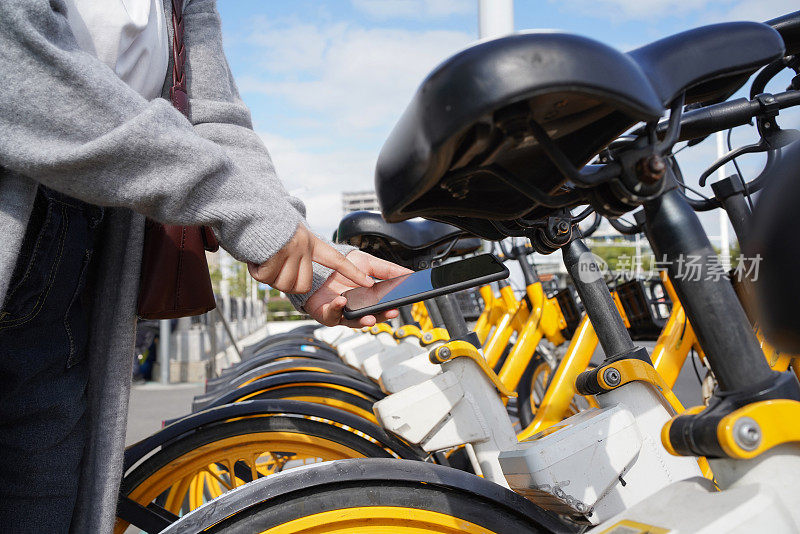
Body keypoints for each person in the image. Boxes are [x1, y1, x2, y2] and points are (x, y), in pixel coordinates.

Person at [0, 1, 409, 532]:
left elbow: (216, 120)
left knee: (44, 500)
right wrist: (239, 209)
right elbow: (20, 69)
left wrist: (308, 261)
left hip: (87, 249)